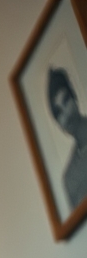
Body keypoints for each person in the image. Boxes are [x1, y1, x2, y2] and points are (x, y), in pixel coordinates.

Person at [48, 67, 87, 210]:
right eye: (59, 113)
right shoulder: (69, 179)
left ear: (74, 97)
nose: (66, 114)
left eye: (65, 100)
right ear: (58, 124)